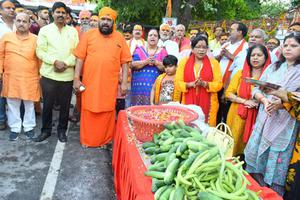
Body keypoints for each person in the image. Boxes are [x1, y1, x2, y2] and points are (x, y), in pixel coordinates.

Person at [244, 33, 300, 196]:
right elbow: (255, 89)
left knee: (277, 160)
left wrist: (282, 104)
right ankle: (253, 192)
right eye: (286, 45)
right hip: (265, 117)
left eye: (294, 45)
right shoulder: (274, 66)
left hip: (286, 124)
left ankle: (272, 194)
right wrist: (264, 100)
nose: (288, 48)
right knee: (256, 159)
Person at [73, 7, 131, 148]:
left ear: (113, 22)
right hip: (90, 82)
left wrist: (124, 83)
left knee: (107, 111)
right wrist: (76, 78)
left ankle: (105, 141)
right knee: (88, 109)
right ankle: (87, 140)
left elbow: (125, 62)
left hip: (109, 84)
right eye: (103, 19)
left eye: (108, 20)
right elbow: (80, 58)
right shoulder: (89, 35)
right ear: (99, 20)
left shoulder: (119, 38)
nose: (105, 22)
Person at [34, 2, 79, 143]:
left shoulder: (72, 31)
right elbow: (40, 50)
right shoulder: (45, 30)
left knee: (65, 106)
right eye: (57, 12)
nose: (60, 14)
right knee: (47, 105)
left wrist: (66, 63)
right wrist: (54, 61)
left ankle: (61, 131)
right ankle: (46, 130)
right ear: (52, 14)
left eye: (63, 12)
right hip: (49, 74)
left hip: (67, 75)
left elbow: (77, 52)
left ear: (66, 15)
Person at [0, 13, 40, 140]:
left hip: (30, 77)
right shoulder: (6, 37)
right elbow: (1, 55)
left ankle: (28, 127)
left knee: (29, 104)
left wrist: (41, 75)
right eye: (19, 21)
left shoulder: (35, 39)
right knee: (12, 103)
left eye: (24, 21)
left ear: (29, 24)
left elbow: (40, 58)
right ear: (15, 22)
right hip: (11, 77)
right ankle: (15, 128)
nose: (21, 23)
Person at [225, 44, 270, 156]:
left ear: (266, 57)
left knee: (254, 146)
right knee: (234, 144)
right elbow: (228, 93)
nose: (255, 58)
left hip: (261, 115)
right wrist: (245, 101)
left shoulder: (270, 76)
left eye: (259, 55)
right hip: (238, 114)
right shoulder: (241, 74)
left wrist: (260, 101)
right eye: (252, 55)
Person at [175, 35, 223, 126]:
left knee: (206, 130)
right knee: (188, 127)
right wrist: (189, 84)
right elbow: (177, 83)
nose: (201, 50)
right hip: (188, 101)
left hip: (209, 103)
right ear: (192, 49)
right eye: (198, 47)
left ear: (207, 49)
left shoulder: (214, 63)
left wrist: (205, 84)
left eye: (204, 47)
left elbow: (219, 84)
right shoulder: (184, 62)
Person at [215, 22, 248, 123]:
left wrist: (229, 55)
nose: (229, 31)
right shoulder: (226, 44)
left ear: (240, 32)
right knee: (217, 110)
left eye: (232, 29)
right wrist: (220, 56)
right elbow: (215, 58)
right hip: (218, 81)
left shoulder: (245, 46)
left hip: (230, 84)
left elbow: (243, 64)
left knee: (226, 111)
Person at [130, 28, 167, 106]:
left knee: (152, 112)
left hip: (155, 89)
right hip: (138, 90)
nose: (152, 37)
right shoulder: (139, 49)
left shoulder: (163, 51)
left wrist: (156, 63)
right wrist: (145, 62)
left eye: (155, 35)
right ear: (147, 38)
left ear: (158, 39)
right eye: (150, 35)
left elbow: (167, 68)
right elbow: (132, 64)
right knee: (137, 112)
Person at [0, 0, 16, 130]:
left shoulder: (19, 23)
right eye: (8, 8)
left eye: (13, 8)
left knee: (13, 93)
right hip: (1, 64)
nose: (11, 10)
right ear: (0, 10)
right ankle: (1, 119)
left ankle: (15, 119)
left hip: (16, 65)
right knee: (1, 93)